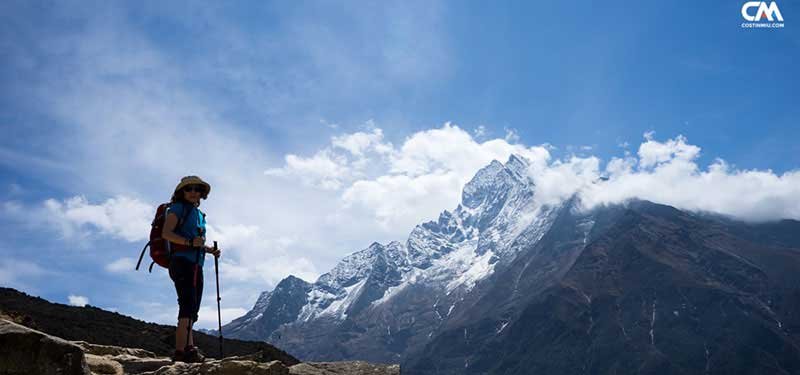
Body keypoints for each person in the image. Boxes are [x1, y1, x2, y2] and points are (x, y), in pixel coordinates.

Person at [161, 175, 222, 363]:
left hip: (196, 263)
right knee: (187, 305)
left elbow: (195, 241)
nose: (194, 192)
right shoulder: (177, 208)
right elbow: (166, 233)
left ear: (202, 193)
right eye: (189, 189)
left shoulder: (199, 215)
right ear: (182, 192)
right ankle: (181, 352)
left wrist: (208, 250)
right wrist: (189, 242)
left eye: (197, 189)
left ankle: (189, 348)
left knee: (193, 307)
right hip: (181, 262)